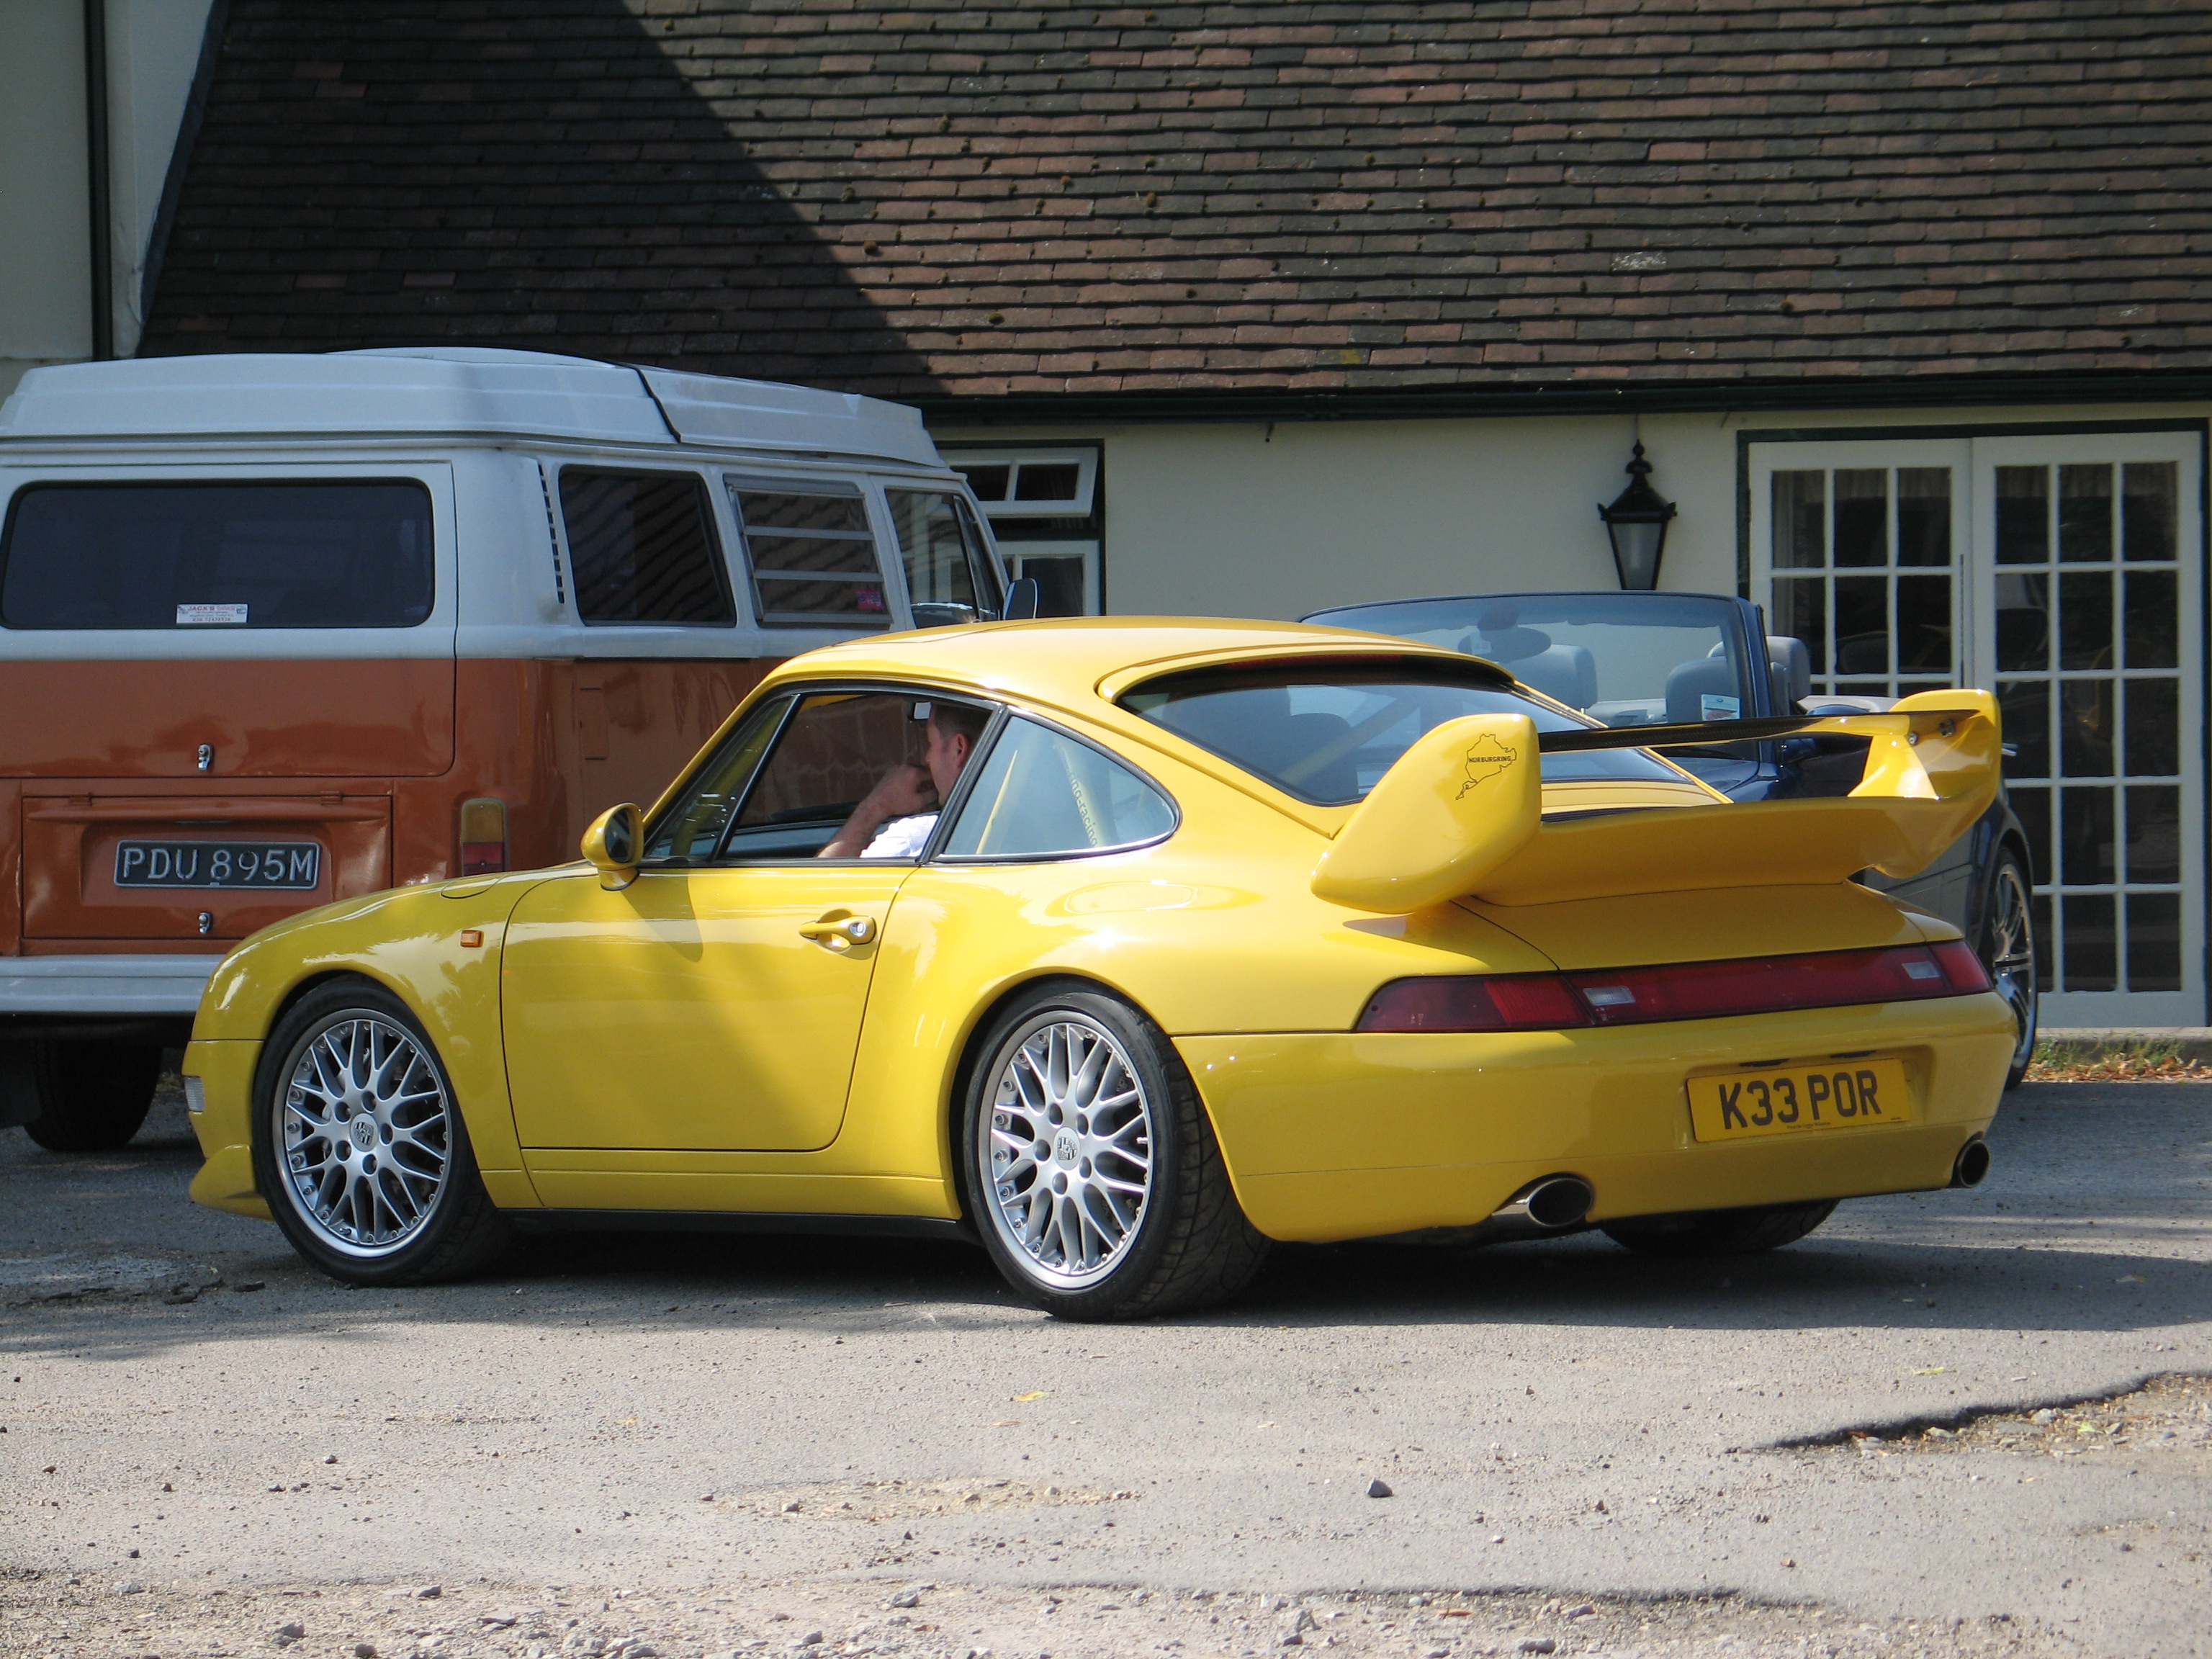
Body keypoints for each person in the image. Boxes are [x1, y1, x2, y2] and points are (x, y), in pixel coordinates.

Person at [817, 701, 990, 858]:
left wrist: (877, 806)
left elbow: (820, 888)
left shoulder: (913, 841)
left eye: (930, 744)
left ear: (959, 749)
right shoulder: (1008, 826)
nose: (927, 759)